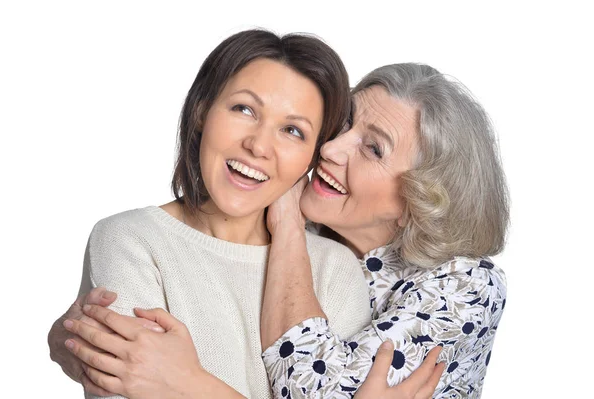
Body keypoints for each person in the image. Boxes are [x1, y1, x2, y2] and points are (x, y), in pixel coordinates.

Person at [48, 30, 444, 399]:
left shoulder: (334, 270)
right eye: (244, 109)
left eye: (293, 131)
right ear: (203, 110)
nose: (258, 145)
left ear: (312, 154)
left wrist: (189, 383)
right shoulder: (130, 240)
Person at [260, 63, 509, 398]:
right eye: (345, 123)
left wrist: (288, 225)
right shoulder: (291, 230)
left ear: (419, 200)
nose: (330, 149)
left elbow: (314, 393)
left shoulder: (468, 284)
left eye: (373, 148)